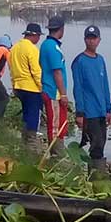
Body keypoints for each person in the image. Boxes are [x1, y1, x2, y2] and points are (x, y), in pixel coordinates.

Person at [71, 25, 111, 175]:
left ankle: (97, 174)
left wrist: (108, 109)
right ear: (85, 40)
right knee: (96, 145)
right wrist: (80, 113)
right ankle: (96, 177)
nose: (91, 41)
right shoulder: (79, 61)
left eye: (94, 38)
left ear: (99, 40)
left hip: (101, 110)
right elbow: (78, 88)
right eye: (89, 38)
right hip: (89, 111)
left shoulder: (100, 60)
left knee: (102, 143)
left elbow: (105, 85)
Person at [10, 22, 44, 153]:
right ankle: (31, 145)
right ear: (34, 35)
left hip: (19, 87)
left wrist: (14, 85)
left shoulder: (14, 48)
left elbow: (11, 69)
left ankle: (24, 143)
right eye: (38, 36)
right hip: (31, 88)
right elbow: (36, 71)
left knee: (26, 115)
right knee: (33, 116)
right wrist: (42, 88)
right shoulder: (32, 49)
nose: (39, 39)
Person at [40, 15, 70, 154]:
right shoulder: (52, 47)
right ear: (61, 29)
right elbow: (57, 72)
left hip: (51, 90)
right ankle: (57, 155)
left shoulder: (47, 45)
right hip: (53, 92)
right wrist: (63, 94)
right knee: (55, 126)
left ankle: (57, 153)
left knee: (59, 124)